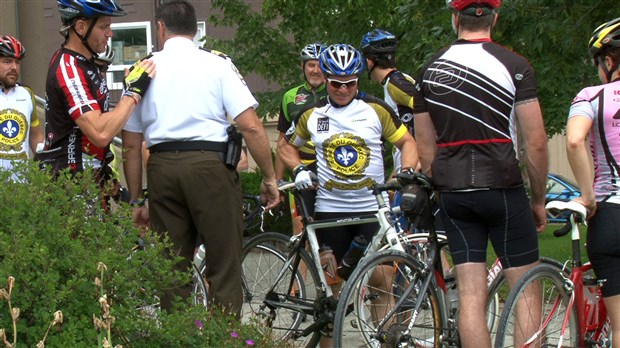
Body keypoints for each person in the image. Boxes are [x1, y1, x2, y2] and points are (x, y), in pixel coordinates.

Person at [121, 0, 279, 314]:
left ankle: (180, 339)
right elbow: (250, 126)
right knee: (223, 266)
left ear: (160, 29)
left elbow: (130, 143)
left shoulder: (142, 70)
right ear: (195, 30)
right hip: (210, 167)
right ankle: (224, 339)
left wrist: (137, 200)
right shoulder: (218, 64)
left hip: (162, 167)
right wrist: (269, 176)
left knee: (172, 270)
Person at [412, 0, 548, 347]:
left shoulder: (429, 69)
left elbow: (426, 150)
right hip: (502, 185)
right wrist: (538, 199)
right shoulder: (516, 65)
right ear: (495, 18)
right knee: (526, 290)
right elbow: (535, 143)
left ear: (455, 18)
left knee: (472, 296)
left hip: (454, 192)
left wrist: (442, 184)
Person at [280, 43, 418, 346]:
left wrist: (404, 176)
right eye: (336, 83)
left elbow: (408, 143)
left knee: (382, 286)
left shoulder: (376, 111)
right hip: (331, 214)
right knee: (332, 295)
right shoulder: (312, 115)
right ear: (326, 79)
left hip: (372, 211)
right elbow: (285, 146)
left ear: (358, 80)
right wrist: (298, 170)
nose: (343, 89)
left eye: (350, 83)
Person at [37, 0, 155, 210]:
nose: (110, 34)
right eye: (103, 27)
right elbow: (100, 133)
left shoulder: (87, 64)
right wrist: (133, 92)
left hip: (92, 176)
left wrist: (121, 193)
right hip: (72, 183)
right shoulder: (68, 68)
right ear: (81, 27)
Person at [566, 17, 620, 341]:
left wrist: (588, 197)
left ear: (609, 61)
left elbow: (574, 141)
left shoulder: (591, 96)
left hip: (610, 216)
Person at [275, 43, 327, 235]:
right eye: (311, 65)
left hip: (329, 170)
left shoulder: (336, 92)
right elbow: (282, 140)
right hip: (301, 171)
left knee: (328, 231)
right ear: (303, 67)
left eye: (320, 65)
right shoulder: (290, 96)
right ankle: (300, 266)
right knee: (300, 229)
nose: (316, 70)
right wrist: (277, 180)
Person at [0, 35, 44, 182]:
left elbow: (35, 135)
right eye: (7, 61)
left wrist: (45, 164)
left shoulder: (27, 94)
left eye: (17, 62)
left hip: (21, 188)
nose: (14, 67)